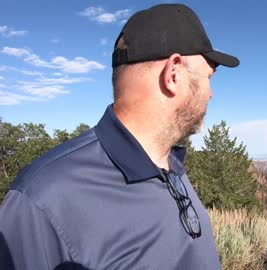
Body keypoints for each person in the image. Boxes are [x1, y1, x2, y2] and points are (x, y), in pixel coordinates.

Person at [0, 3, 239, 270]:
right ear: (174, 73)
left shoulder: (172, 167)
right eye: (208, 76)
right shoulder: (41, 200)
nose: (211, 93)